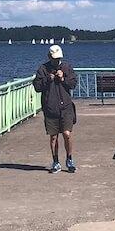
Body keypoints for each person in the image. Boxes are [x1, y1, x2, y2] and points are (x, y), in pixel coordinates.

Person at [33, 44, 77, 173]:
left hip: (66, 107)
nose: (57, 61)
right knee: (53, 137)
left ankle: (69, 159)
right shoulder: (43, 69)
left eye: (58, 59)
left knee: (67, 134)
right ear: (49, 57)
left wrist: (63, 78)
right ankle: (55, 161)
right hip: (50, 107)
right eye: (54, 59)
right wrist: (48, 79)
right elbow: (37, 86)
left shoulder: (66, 67)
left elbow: (73, 83)